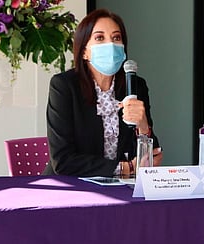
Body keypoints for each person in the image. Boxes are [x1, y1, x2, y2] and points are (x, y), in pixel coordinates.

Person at [43, 8, 162, 176]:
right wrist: (124, 168)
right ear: (84, 51)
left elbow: (151, 157)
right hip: (69, 187)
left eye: (116, 38)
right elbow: (63, 161)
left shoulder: (135, 85)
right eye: (100, 38)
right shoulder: (64, 86)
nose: (111, 45)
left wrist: (143, 126)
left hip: (120, 187)